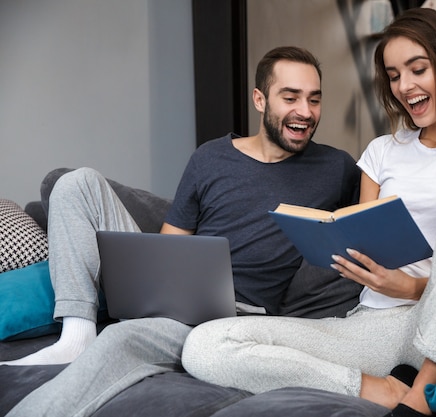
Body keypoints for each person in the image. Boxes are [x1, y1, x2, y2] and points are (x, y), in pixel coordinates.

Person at [181, 8, 436, 417]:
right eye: (394, 75)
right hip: (381, 326)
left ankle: (422, 390)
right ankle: (379, 389)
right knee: (207, 344)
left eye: (417, 69)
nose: (405, 86)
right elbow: (361, 240)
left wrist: (414, 288)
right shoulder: (381, 153)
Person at [2, 46, 361, 416]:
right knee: (76, 183)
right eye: (291, 97)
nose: (305, 111)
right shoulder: (210, 157)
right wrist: (155, 287)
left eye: (314, 99)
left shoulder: (337, 168)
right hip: (170, 293)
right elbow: (172, 241)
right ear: (260, 99)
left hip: (233, 319)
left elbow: (370, 221)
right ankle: (76, 332)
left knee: (121, 338)